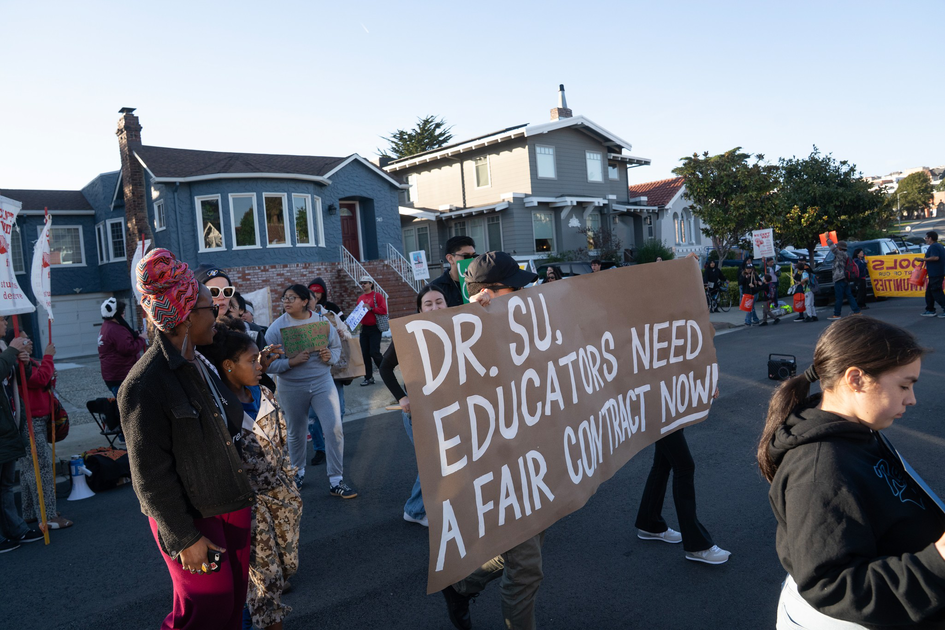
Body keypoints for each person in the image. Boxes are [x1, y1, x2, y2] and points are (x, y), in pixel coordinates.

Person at [757, 316, 945, 628]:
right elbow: (834, 586)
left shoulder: (856, 429)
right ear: (855, 379)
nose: (911, 399)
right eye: (904, 385)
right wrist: (938, 561)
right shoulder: (820, 468)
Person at [119, 249, 254, 630]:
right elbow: (149, 477)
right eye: (211, 307)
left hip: (231, 500)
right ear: (186, 314)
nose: (219, 312)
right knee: (203, 611)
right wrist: (183, 537)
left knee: (231, 607)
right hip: (193, 518)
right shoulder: (144, 384)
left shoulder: (205, 357)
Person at [440, 251, 545, 630]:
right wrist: (470, 321)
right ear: (486, 292)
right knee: (527, 566)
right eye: (514, 286)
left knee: (521, 550)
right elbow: (436, 386)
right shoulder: (458, 335)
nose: (524, 291)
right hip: (498, 466)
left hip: (533, 456)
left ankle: (462, 585)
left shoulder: (524, 324)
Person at [199, 319, 301, 630]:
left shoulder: (265, 394)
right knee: (264, 580)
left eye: (260, 359)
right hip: (250, 505)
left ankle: (251, 613)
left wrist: (291, 486)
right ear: (228, 366)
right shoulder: (218, 412)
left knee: (285, 569)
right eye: (252, 360)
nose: (260, 366)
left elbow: (283, 445)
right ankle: (260, 620)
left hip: (282, 498)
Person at [264, 285, 355, 498]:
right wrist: (291, 362)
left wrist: (328, 357)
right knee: (296, 432)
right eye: (284, 298)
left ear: (305, 301)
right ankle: (298, 473)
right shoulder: (276, 328)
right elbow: (267, 365)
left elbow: (335, 348)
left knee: (334, 429)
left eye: (292, 298)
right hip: (291, 386)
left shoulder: (322, 322)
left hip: (322, 383)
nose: (286, 302)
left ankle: (336, 480)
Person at [379, 285, 450, 529]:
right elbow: (385, 368)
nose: (434, 307)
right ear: (419, 309)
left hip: (448, 407)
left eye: (439, 301)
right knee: (434, 459)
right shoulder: (407, 333)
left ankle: (430, 505)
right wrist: (402, 398)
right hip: (418, 409)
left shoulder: (456, 327)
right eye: (428, 303)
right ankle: (415, 510)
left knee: (445, 456)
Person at [0, 321, 44, 553]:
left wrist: (23, 365)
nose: (6, 323)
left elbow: (14, 379)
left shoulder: (2, 347)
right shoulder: (5, 349)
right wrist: (12, 351)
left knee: (6, 485)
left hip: (8, 428)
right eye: (0, 320)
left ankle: (15, 529)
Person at [19, 340, 72, 530]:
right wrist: (49, 357)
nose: (30, 342)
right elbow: (38, 380)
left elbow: (43, 383)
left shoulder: (29, 361)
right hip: (30, 421)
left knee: (29, 471)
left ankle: (31, 511)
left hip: (37, 418)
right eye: (24, 340)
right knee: (40, 469)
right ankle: (47, 515)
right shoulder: (19, 363)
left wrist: (50, 373)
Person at [306, 278, 349, 467]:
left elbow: (347, 333)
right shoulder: (296, 320)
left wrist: (341, 334)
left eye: (316, 294)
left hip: (334, 370)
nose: (313, 297)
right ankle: (320, 448)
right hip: (310, 373)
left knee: (338, 409)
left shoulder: (330, 314)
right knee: (312, 416)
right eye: (309, 295)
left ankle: (335, 445)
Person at [98, 297, 147, 397]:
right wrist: (141, 339)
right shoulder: (115, 329)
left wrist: (136, 335)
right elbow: (128, 349)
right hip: (121, 376)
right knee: (131, 407)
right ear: (118, 314)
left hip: (113, 376)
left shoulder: (107, 326)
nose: (124, 315)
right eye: (122, 312)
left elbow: (123, 341)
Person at [355, 276, 387, 387]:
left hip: (375, 328)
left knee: (374, 352)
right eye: (361, 283)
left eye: (365, 283)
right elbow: (357, 314)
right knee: (365, 354)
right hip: (364, 328)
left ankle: (386, 372)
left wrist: (371, 309)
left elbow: (384, 310)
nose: (363, 284)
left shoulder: (377, 296)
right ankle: (368, 378)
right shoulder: (360, 298)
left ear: (371, 284)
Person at [428, 235, 477, 307]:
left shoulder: (481, 282)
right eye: (466, 256)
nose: (471, 260)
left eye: (474, 256)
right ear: (450, 258)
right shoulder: (436, 288)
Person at [826, 237, 861, 320]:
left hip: (839, 278)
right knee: (849, 296)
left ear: (840, 248)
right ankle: (857, 311)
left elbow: (833, 249)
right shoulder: (845, 254)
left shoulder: (840, 254)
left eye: (838, 246)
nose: (837, 247)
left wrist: (827, 239)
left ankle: (837, 314)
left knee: (839, 297)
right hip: (845, 278)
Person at [920, 230, 945, 318]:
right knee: (929, 292)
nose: (925, 239)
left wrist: (923, 259)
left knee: (936, 291)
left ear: (930, 238)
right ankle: (930, 310)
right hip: (936, 272)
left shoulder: (934, 246)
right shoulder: (938, 245)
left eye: (926, 238)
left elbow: (935, 257)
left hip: (936, 273)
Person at [759, 258, 782, 327]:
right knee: (764, 309)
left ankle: (775, 318)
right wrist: (763, 261)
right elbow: (761, 267)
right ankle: (764, 320)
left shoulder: (766, 285)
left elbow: (758, 288)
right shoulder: (765, 267)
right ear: (768, 262)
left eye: (773, 262)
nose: (772, 264)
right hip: (767, 294)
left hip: (767, 297)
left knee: (766, 309)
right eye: (771, 262)